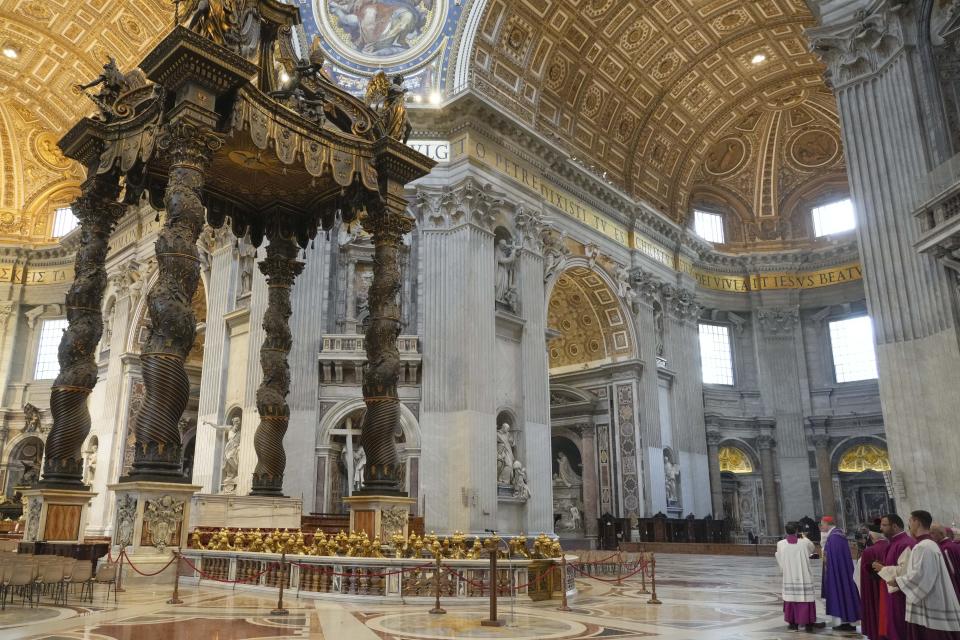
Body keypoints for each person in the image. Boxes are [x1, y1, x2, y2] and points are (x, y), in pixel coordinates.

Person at [882, 510, 960, 639]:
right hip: (933, 599)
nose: (909, 526)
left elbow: (921, 576)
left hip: (931, 603)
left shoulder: (924, 547)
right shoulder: (929, 544)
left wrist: (898, 581)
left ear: (917, 522)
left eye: (910, 522)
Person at [875, 513, 918, 640]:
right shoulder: (894, 543)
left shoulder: (905, 543)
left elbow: (906, 572)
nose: (881, 529)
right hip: (892, 593)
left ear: (894, 526)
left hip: (901, 595)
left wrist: (883, 569)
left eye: (884, 525)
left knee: (900, 627)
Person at [777, 522, 824, 632]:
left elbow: (779, 557)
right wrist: (803, 536)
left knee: (791, 598)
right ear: (797, 530)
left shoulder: (781, 544)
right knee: (805, 598)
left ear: (786, 531)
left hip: (789, 576)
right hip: (803, 575)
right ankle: (808, 624)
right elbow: (812, 549)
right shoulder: (804, 543)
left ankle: (793, 624)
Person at [821, 515, 861, 631]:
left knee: (840, 591)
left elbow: (831, 556)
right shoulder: (837, 535)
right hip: (840, 570)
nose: (821, 527)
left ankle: (844, 621)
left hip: (837, 572)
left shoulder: (834, 538)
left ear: (828, 524)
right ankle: (844, 621)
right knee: (843, 592)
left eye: (822, 524)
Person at [861, 525, 891, 640]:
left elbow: (865, 577)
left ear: (871, 536)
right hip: (891, 585)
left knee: (877, 610)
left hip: (874, 590)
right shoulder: (890, 546)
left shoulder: (869, 551)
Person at [932, 524, 960, 603]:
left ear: (941, 533)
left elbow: (951, 571)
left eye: (932, 533)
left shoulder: (945, 548)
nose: (930, 536)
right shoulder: (954, 545)